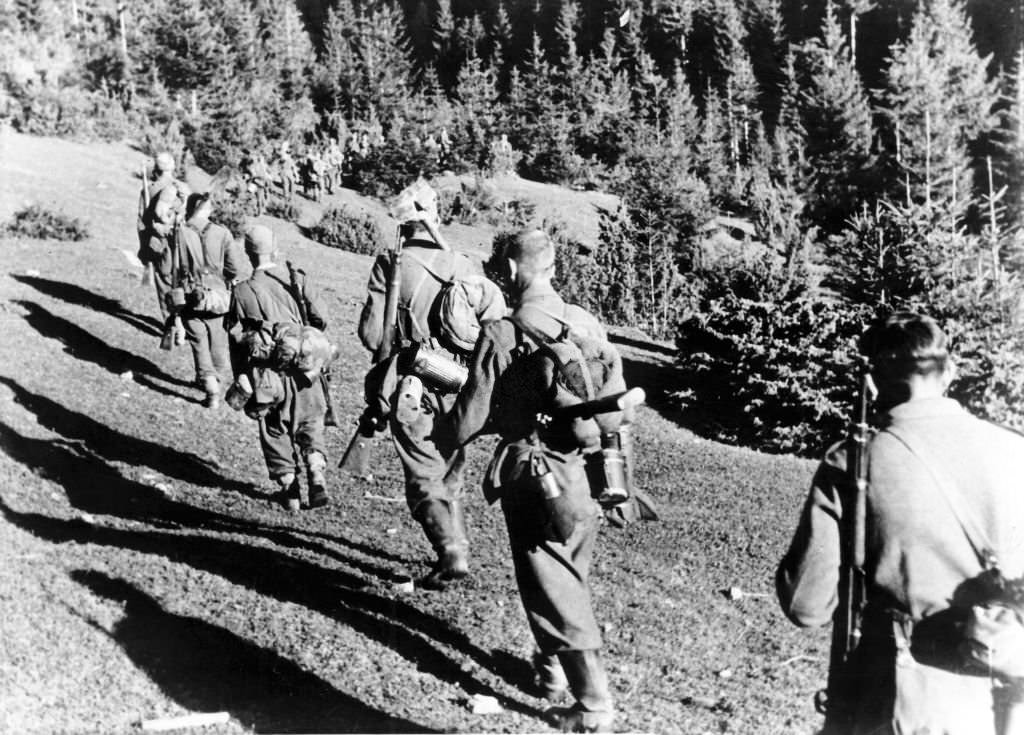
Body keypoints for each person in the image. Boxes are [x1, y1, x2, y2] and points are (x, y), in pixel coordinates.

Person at [776, 312, 1024, 735]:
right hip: (1006, 698)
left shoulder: (854, 461)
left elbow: (807, 605)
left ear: (872, 381)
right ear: (949, 371)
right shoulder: (1013, 449)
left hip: (899, 701)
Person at [437, 230, 620, 733]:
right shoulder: (587, 322)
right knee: (569, 572)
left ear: (514, 271)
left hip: (536, 477)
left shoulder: (502, 331)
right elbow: (615, 406)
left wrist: (439, 432)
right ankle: (553, 671)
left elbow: (470, 417)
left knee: (552, 583)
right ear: (554, 269)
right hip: (588, 473)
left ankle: (593, 704)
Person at [357, 184, 505, 590]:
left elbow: (372, 335)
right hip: (460, 385)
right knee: (450, 467)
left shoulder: (391, 263)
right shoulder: (464, 263)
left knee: (423, 470)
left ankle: (451, 552)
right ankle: (457, 547)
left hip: (414, 381)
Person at [227, 225, 331, 511]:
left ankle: (291, 491)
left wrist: (242, 378)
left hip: (266, 376)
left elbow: (236, 341)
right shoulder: (296, 279)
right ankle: (317, 476)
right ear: (276, 248)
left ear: (248, 253)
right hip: (305, 370)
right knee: (310, 423)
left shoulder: (243, 291)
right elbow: (321, 319)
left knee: (274, 431)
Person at [171, 193, 245, 408]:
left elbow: (172, 270)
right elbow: (235, 269)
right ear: (209, 209)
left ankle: (210, 387)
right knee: (219, 343)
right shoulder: (222, 233)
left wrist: (174, 308)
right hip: (219, 297)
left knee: (198, 342)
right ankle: (217, 382)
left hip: (190, 296)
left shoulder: (179, 233)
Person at [137, 151, 190, 319]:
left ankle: (170, 323)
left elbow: (142, 224)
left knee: (164, 284)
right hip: (185, 243)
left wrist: (144, 249)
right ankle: (185, 322)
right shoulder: (183, 188)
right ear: (173, 167)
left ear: (156, 169)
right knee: (184, 282)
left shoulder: (149, 190)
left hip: (161, 245)